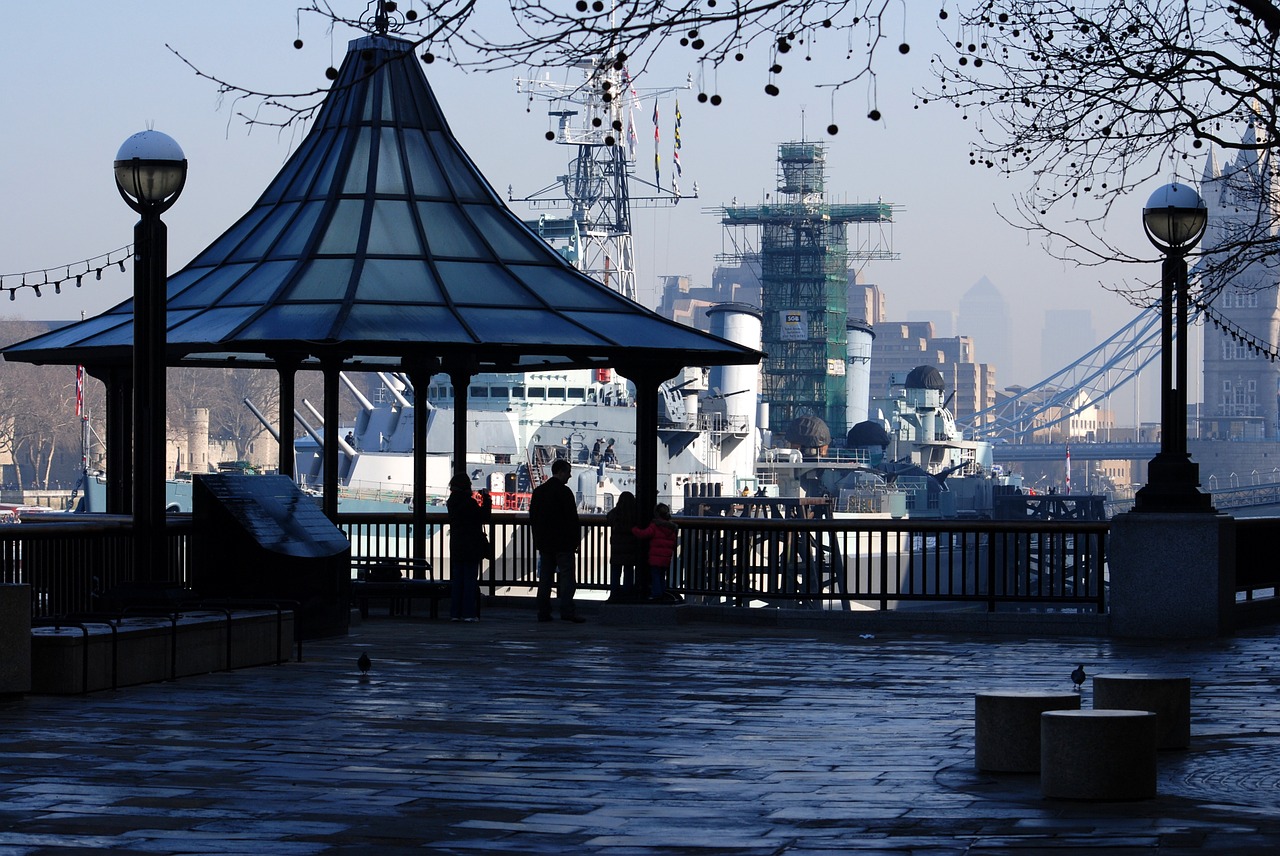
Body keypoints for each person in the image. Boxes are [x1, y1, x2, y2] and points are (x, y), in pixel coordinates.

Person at [529, 457, 584, 623]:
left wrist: (538, 539)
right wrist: (575, 541)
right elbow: (572, 519)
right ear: (561, 472)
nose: (570, 476)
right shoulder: (565, 492)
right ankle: (567, 611)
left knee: (545, 579)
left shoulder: (539, 492)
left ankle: (543, 612)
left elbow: (534, 517)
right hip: (563, 543)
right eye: (568, 472)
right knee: (567, 578)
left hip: (545, 543)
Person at [446, 474, 491, 622]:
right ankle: (468, 613)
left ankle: (455, 613)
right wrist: (487, 500)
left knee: (458, 580)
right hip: (471, 545)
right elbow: (484, 516)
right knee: (470, 580)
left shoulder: (451, 502)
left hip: (457, 545)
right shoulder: (469, 503)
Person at [632, 503, 678, 601]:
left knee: (655, 575)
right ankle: (662, 592)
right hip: (666, 557)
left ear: (656, 514)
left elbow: (644, 534)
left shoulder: (655, 525)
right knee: (661, 575)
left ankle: (656, 593)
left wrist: (634, 529)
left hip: (655, 556)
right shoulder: (671, 528)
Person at [606, 491, 640, 601]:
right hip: (631, 547)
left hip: (616, 548)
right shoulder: (635, 514)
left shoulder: (616, 513)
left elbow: (609, 517)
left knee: (615, 571)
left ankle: (614, 593)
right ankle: (627, 593)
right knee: (628, 570)